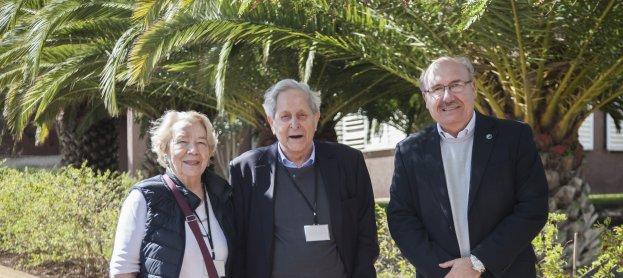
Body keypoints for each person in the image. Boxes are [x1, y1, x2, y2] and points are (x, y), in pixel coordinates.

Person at [387, 56, 549, 277]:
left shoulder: (513, 138)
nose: (447, 97)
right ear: (426, 98)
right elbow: (401, 218)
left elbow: (533, 207)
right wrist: (447, 271)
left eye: (455, 85)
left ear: (473, 87)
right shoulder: (410, 151)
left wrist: (477, 262)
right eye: (436, 88)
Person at [229, 79, 379, 278]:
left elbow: (366, 234)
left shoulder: (349, 163)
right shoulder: (246, 170)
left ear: (316, 119)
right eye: (285, 116)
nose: (294, 124)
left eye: (302, 115)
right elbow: (237, 245)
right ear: (272, 123)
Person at [109, 110, 235, 278]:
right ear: (165, 148)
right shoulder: (145, 198)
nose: (193, 150)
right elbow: (123, 269)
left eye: (201, 142)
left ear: (209, 150)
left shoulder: (222, 196)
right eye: (182, 141)